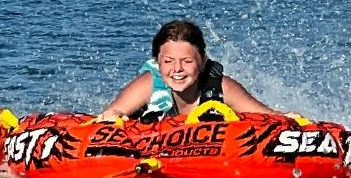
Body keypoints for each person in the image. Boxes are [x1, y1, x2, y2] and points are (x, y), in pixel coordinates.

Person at [97, 20, 279, 122]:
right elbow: (111, 114)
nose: (177, 69)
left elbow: (270, 117)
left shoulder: (222, 87)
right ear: (157, 63)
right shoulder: (149, 84)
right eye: (168, 61)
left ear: (202, 61)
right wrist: (115, 115)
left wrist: (293, 120)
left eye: (187, 61)